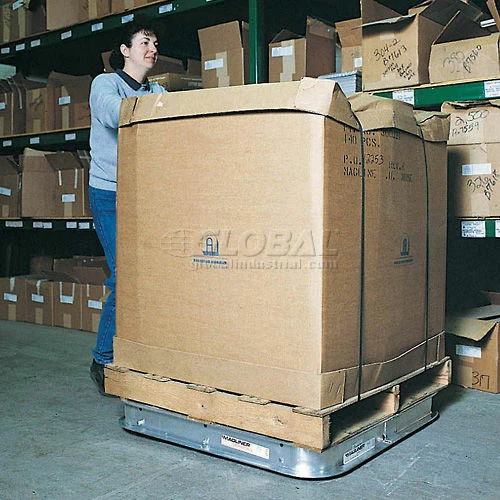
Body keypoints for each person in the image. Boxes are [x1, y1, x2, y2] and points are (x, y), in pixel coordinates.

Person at [89, 21, 166, 396]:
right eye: (144, 42)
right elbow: (111, 114)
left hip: (145, 194)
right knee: (124, 276)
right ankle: (102, 359)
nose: (153, 48)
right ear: (125, 50)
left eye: (155, 43)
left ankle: (140, 354)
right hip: (109, 194)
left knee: (152, 275)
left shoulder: (158, 91)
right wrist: (155, 108)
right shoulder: (104, 84)